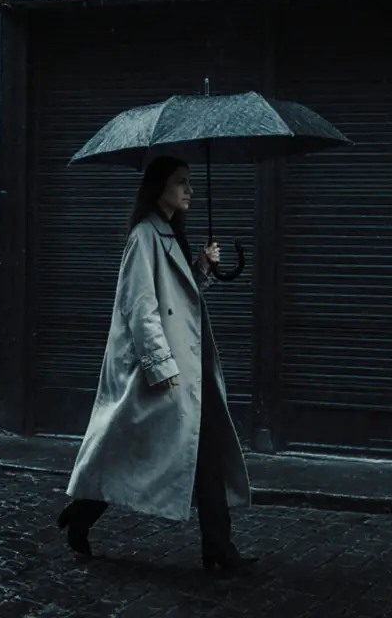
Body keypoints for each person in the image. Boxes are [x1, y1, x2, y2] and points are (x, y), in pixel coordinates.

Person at [58, 155, 258, 575]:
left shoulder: (170, 233)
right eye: (181, 182)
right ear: (159, 187)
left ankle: (218, 546)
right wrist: (159, 365)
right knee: (126, 449)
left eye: (190, 182)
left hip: (187, 363)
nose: (189, 189)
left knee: (202, 452)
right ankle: (81, 514)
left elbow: (179, 299)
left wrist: (202, 269)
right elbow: (141, 306)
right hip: (163, 369)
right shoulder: (144, 235)